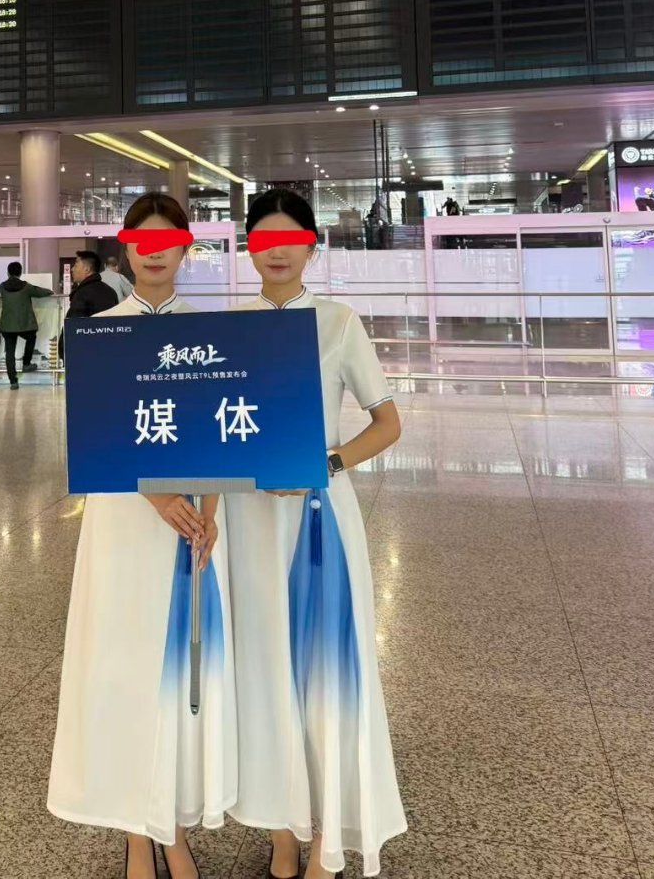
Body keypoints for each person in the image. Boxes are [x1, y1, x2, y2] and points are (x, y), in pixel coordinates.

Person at [49, 193, 236, 879]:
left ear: (186, 248)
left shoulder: (210, 332)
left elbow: (223, 429)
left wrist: (209, 509)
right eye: (141, 242)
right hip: (124, 519)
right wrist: (154, 493)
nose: (154, 253)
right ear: (126, 249)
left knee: (180, 672)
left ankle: (172, 825)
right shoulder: (99, 332)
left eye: (168, 242)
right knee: (122, 665)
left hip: (192, 526)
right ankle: (136, 831)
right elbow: (91, 431)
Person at [226, 188, 405, 879]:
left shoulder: (337, 322)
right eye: (262, 240)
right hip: (247, 521)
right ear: (249, 250)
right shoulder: (231, 328)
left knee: (323, 673)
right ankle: (281, 832)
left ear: (311, 247)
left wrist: (324, 464)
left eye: (290, 240)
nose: (276, 252)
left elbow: (387, 424)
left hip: (318, 520)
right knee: (262, 668)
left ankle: (328, 835)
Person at [0, 261, 52, 389]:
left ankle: (13, 382)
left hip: (7, 325)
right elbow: (40, 292)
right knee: (31, 337)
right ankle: (26, 364)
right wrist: (50, 291)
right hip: (24, 325)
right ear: (20, 272)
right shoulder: (26, 287)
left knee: (10, 353)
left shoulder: (2, 287)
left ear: (8, 272)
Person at [59, 250, 118, 362]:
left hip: (84, 356)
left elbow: (74, 326)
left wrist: (63, 351)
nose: (72, 269)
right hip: (108, 353)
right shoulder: (110, 291)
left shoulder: (83, 294)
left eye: (76, 265)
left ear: (87, 269)